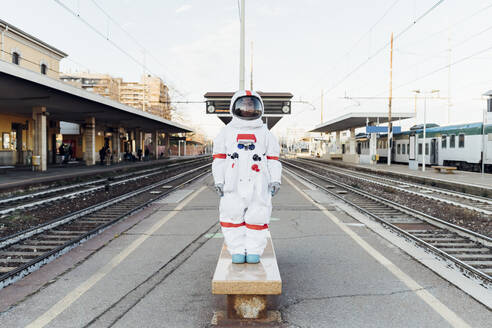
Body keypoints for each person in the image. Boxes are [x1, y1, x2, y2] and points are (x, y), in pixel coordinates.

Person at [212, 90, 281, 264]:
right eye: (244, 104)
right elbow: (219, 159)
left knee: (258, 215)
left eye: (251, 104)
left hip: (258, 180)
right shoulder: (226, 132)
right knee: (231, 214)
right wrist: (218, 180)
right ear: (235, 106)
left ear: (259, 107)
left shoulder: (265, 133)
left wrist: (275, 179)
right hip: (232, 180)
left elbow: (273, 159)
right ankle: (236, 249)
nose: (247, 108)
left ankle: (253, 251)